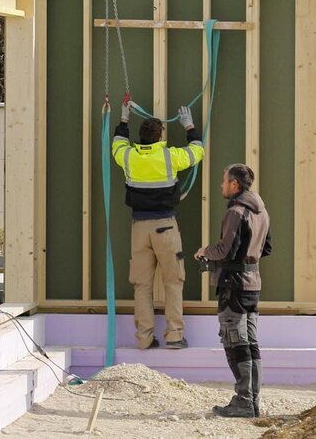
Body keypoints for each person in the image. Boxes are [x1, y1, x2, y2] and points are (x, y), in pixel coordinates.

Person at [114, 101, 203, 350]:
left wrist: (123, 119)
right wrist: (189, 126)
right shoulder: (169, 156)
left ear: (141, 136)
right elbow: (197, 151)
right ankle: (174, 335)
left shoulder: (129, 156)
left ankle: (144, 338)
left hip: (139, 228)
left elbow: (117, 145)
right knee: (173, 281)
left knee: (142, 285)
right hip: (165, 226)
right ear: (160, 136)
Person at [194, 163, 271, 418]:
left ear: (235, 184)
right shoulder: (261, 211)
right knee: (250, 343)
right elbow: (266, 249)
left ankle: (243, 402)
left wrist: (204, 251)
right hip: (253, 284)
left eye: (224, 180)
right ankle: (252, 401)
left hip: (233, 286)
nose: (221, 185)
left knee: (235, 344)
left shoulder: (236, 212)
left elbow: (224, 250)